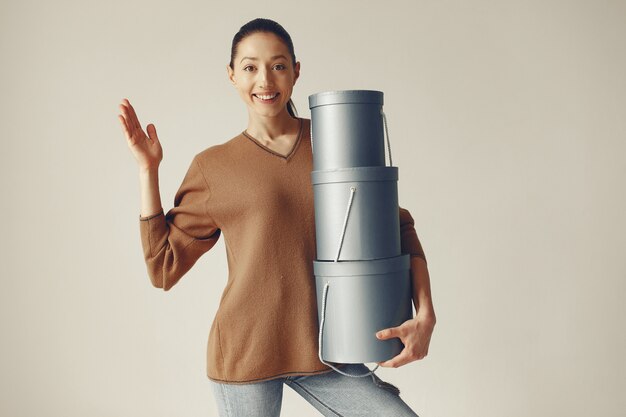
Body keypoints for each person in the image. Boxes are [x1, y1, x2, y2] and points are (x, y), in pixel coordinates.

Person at [118, 17, 435, 417]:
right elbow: (162, 268)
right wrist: (149, 170)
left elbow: (399, 228)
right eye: (249, 67)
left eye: (278, 65)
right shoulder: (213, 166)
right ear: (232, 76)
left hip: (325, 349)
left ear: (296, 72)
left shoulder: (336, 140)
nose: (264, 80)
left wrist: (425, 312)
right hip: (245, 354)